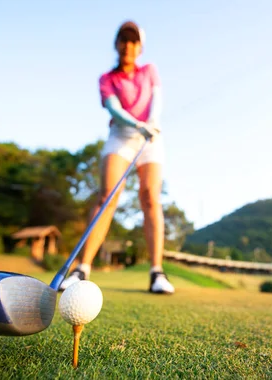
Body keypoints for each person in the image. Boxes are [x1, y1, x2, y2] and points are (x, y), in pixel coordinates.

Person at [59, 20, 174, 294]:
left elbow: (157, 98)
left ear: (140, 46)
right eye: (124, 39)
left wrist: (153, 121)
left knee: (149, 198)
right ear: (117, 44)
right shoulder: (107, 78)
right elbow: (113, 108)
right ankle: (82, 268)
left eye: (133, 40)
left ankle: (157, 273)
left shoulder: (149, 71)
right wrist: (138, 125)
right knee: (107, 197)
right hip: (122, 137)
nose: (128, 45)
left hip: (151, 138)